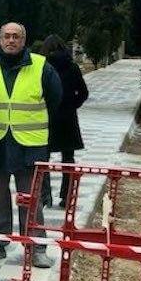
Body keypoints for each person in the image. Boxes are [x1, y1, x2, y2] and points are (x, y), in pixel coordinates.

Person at [0, 22, 63, 269]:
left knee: (31, 198)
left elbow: (55, 99)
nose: (11, 41)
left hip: (30, 145)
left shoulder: (41, 66)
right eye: (6, 36)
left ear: (24, 40)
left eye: (16, 37)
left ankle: (36, 247)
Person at [40, 35, 89, 207]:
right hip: (68, 118)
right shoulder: (72, 67)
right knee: (68, 159)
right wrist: (72, 105)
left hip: (47, 117)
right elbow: (83, 93)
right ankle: (66, 196)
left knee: (43, 159)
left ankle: (45, 195)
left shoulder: (42, 68)